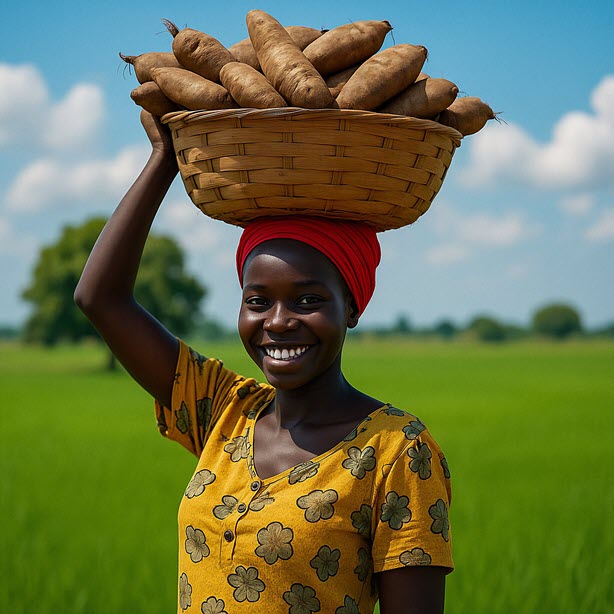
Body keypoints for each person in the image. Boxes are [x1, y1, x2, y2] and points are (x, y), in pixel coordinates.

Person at [75, 111, 453, 614]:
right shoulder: (223, 410)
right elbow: (99, 298)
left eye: (307, 300)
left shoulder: (398, 451)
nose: (277, 322)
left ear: (353, 308)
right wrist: (165, 158)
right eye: (258, 301)